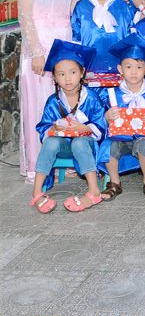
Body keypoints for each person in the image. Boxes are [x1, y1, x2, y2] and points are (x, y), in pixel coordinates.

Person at [17, 0, 79, 181]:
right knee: (41, 103)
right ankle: (39, 165)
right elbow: (25, 15)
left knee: (67, 101)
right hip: (41, 44)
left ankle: (69, 159)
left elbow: (76, 9)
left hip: (65, 42)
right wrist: (36, 52)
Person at [29, 41, 106, 213]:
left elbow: (101, 127)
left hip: (86, 147)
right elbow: (43, 127)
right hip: (63, 147)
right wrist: (54, 128)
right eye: (61, 74)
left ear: (82, 72)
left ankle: (94, 191)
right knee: (50, 142)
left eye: (73, 72)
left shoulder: (91, 98)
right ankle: (37, 192)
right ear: (54, 77)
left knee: (79, 142)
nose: (68, 78)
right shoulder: (53, 101)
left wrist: (84, 128)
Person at [97, 34, 145, 202]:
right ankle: (114, 183)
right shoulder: (113, 94)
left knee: (143, 144)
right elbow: (100, 123)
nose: (134, 72)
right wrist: (107, 117)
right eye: (128, 67)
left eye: (139, 67)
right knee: (108, 145)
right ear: (120, 69)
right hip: (120, 138)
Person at [71, 0, 133, 77]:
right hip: (88, 71)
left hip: (120, 71)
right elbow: (75, 40)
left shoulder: (123, 7)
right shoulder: (81, 7)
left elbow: (130, 39)